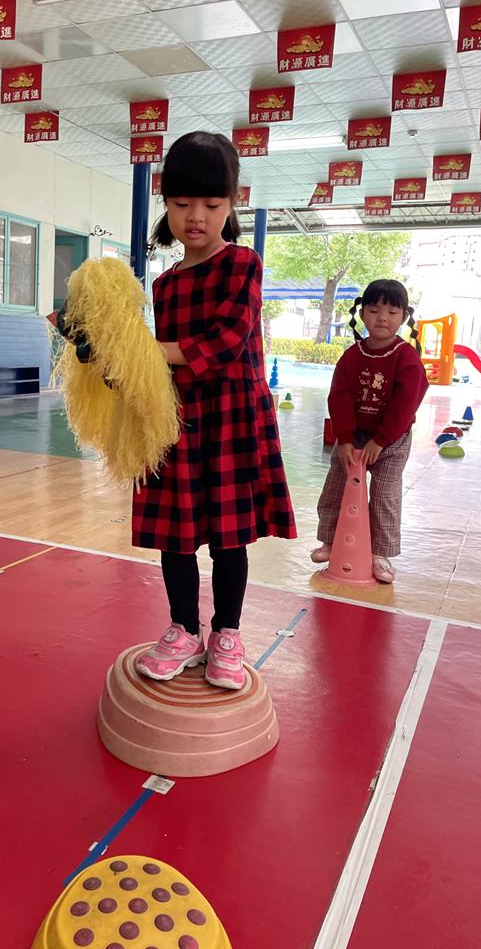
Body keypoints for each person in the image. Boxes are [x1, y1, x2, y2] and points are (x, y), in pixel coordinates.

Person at [133, 132, 296, 690]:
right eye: (181, 204)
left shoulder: (242, 264)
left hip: (232, 418)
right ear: (166, 204)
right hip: (175, 420)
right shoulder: (165, 284)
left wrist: (146, 351)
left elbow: (228, 341)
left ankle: (227, 633)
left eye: (210, 204)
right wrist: (109, 358)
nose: (195, 217)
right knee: (173, 534)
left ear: (232, 203)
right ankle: (184, 630)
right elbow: (156, 366)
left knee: (230, 536)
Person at [311, 279, 428, 583]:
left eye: (392, 312)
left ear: (404, 317)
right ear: (362, 314)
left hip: (392, 441)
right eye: (374, 310)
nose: (382, 318)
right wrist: (345, 439)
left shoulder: (406, 358)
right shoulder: (352, 356)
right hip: (353, 438)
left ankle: (380, 553)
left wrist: (381, 439)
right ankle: (330, 540)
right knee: (335, 488)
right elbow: (339, 398)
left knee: (384, 496)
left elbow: (406, 404)